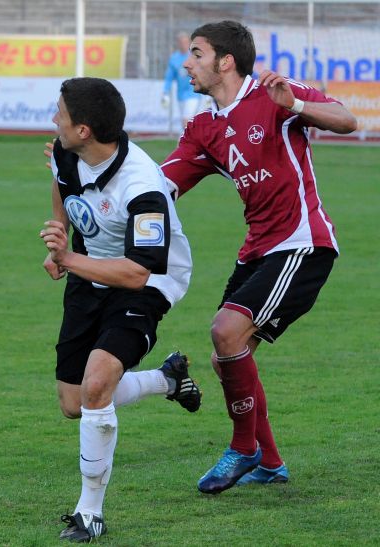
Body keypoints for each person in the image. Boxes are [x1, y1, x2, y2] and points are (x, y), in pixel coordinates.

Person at [159, 20, 357, 494]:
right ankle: (268, 460)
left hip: (302, 243)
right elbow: (163, 184)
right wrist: (98, 174)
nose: (188, 62)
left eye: (198, 53)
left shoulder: (273, 93)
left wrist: (297, 105)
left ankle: (244, 448)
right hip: (259, 250)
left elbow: (349, 121)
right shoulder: (204, 127)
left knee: (227, 333)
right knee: (228, 352)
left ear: (225, 61)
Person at [40, 77, 200, 542]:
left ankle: (89, 512)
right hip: (89, 272)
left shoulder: (143, 187)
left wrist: (69, 259)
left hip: (147, 282)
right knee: (74, 403)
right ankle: (166, 379)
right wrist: (61, 242)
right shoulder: (66, 151)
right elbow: (62, 187)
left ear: (85, 129)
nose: (55, 119)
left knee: (96, 383)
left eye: (61, 113)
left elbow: (137, 273)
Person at [161, 32, 205, 128]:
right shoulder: (174, 59)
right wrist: (165, 92)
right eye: (181, 42)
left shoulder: (195, 56)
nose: (183, 44)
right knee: (189, 124)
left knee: (186, 121)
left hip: (193, 93)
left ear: (189, 43)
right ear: (178, 43)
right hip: (181, 96)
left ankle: (183, 142)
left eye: (185, 42)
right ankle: (191, 141)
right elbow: (169, 77)